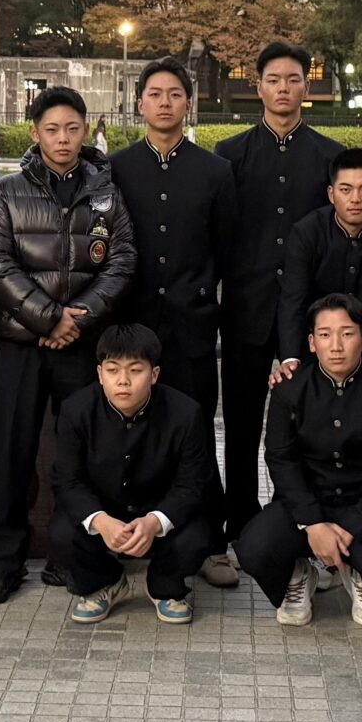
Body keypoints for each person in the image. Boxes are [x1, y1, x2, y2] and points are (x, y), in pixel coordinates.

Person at [0, 86, 136, 605]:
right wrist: (47, 318)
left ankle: (73, 557)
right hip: (21, 343)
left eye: (72, 128)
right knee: (12, 451)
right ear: (34, 133)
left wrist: (77, 319)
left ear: (86, 130)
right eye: (52, 129)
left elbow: (122, 261)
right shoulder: (8, 190)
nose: (62, 138)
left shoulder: (106, 193)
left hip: (82, 343)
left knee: (81, 454)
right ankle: (3, 562)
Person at [214, 43, 342, 557]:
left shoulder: (330, 156)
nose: (284, 88)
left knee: (310, 422)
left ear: (306, 86)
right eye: (274, 79)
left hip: (310, 314)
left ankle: (306, 522)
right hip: (245, 305)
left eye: (293, 79)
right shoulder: (229, 155)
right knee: (241, 421)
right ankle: (240, 523)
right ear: (258, 86)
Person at [107, 59, 235, 569]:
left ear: (188, 102)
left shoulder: (215, 171)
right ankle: (130, 536)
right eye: (155, 94)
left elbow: (225, 248)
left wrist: (203, 299)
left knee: (196, 429)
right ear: (139, 103)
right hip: (132, 324)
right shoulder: (116, 168)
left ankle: (210, 544)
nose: (165, 102)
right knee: (130, 431)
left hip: (191, 324)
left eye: (175, 94)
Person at [238, 295, 362, 626]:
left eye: (347, 334)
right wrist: (312, 523)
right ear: (311, 342)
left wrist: (352, 527)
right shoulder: (289, 389)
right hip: (306, 505)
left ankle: (358, 572)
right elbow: (280, 458)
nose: (336, 346)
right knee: (253, 547)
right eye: (325, 335)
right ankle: (298, 575)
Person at [52, 323, 216, 625]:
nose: (123, 381)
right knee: (62, 532)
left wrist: (155, 521)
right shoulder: (76, 411)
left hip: (158, 509)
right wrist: (100, 521)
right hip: (105, 509)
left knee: (197, 535)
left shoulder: (185, 413)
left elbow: (193, 484)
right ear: (100, 374)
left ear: (154, 374)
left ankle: (165, 587)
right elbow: (67, 480)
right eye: (113, 370)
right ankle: (105, 583)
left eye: (135, 370)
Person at [275, 148, 362, 387]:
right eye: (345, 190)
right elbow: (293, 299)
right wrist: (291, 358)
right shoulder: (307, 232)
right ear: (331, 194)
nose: (355, 199)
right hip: (318, 349)